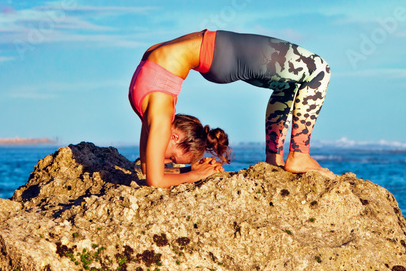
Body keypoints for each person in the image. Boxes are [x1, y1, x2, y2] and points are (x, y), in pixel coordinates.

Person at [128, 29, 333, 187]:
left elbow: (150, 172)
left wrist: (190, 172)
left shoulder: (159, 120)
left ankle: (278, 158)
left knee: (295, 80)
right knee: (319, 70)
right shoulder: (158, 115)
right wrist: (193, 173)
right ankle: (298, 155)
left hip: (218, 51)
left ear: (175, 137)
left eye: (172, 158)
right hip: (219, 53)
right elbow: (154, 178)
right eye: (172, 159)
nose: (166, 160)